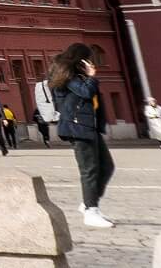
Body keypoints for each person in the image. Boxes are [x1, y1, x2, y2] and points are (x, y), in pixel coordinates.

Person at [51, 43, 114, 229]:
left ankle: (89, 202)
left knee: (108, 166)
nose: (92, 62)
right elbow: (85, 92)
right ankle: (90, 210)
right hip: (78, 128)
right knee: (90, 170)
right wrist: (92, 77)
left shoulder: (79, 76)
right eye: (89, 58)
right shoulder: (67, 76)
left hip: (90, 127)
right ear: (81, 59)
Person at [32, 77, 57, 147]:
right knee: (45, 132)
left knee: (45, 133)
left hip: (44, 124)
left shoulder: (38, 110)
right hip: (43, 124)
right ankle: (46, 140)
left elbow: (33, 118)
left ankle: (46, 141)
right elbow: (34, 118)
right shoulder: (37, 110)